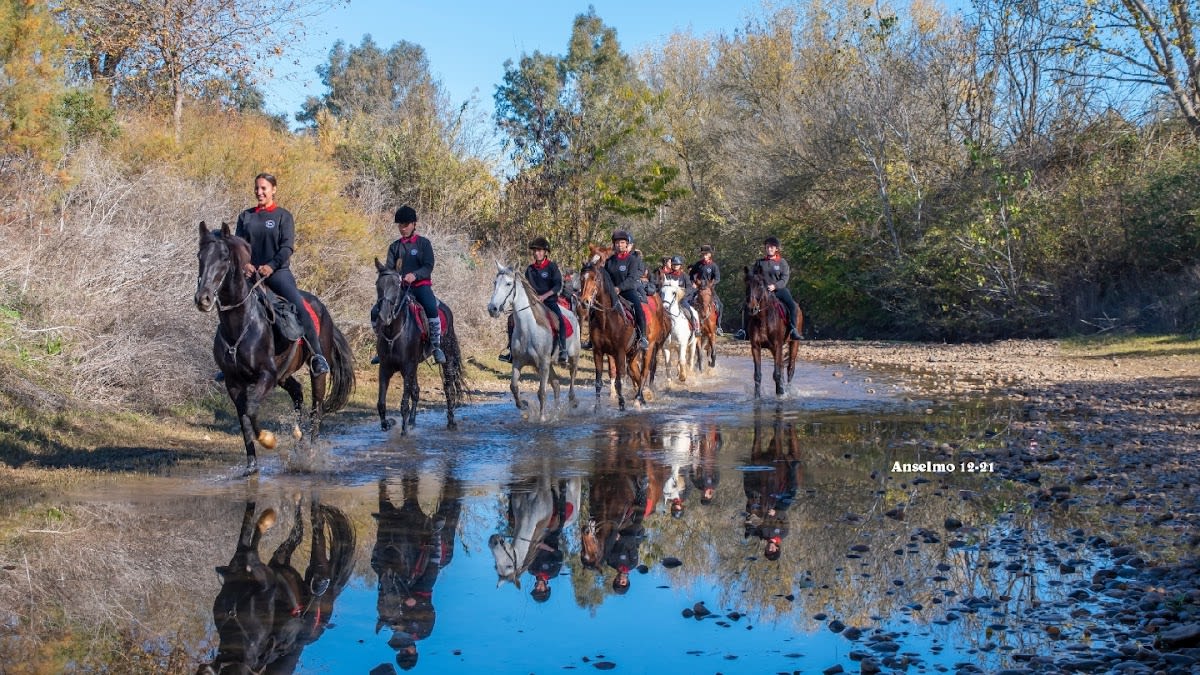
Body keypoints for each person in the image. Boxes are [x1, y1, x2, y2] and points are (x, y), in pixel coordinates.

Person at [228, 172, 329, 378]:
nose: (259, 192)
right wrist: (245, 264)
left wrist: (271, 266)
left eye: (263, 188)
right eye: (257, 188)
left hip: (277, 273)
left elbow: (287, 247)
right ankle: (230, 358)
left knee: (301, 308)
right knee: (232, 307)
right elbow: (238, 246)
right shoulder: (245, 216)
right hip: (251, 275)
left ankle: (318, 356)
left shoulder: (283, 216)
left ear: (273, 189)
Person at [373, 206, 445, 364]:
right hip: (400, 288)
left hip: (421, 286)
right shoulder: (394, 247)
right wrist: (394, 278)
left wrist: (415, 275)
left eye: (405, 225)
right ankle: (381, 346)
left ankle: (435, 346)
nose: (402, 228)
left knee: (431, 307)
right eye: (400, 225)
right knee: (375, 311)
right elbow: (390, 269)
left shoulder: (423, 244)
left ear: (414, 224)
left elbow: (428, 265)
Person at [499, 237, 569, 365]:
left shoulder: (552, 267)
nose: (537, 253)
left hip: (549, 302)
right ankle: (511, 351)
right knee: (511, 319)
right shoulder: (530, 269)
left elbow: (557, 286)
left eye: (540, 251)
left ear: (545, 252)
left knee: (560, 320)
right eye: (535, 251)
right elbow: (525, 286)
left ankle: (563, 350)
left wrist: (544, 296)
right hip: (532, 302)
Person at [735, 235, 803, 341]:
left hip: (779, 290)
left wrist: (775, 286)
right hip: (762, 291)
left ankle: (793, 330)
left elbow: (785, 278)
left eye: (772, 247)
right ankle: (744, 331)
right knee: (747, 305)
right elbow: (754, 276)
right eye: (767, 247)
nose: (769, 249)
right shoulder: (760, 262)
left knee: (792, 305)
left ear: (776, 249)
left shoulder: (782, 262)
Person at [603, 230, 649, 351]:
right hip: (611, 292)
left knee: (638, 308)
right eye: (617, 243)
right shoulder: (609, 261)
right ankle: (593, 339)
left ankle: (642, 336)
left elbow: (632, 278)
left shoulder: (632, 260)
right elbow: (606, 277)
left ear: (626, 244)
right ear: (614, 245)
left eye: (622, 242)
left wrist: (619, 288)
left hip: (627, 291)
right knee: (596, 307)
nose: (619, 245)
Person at [688, 244, 724, 335]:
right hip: (699, 289)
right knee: (690, 302)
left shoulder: (713, 266)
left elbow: (718, 278)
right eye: (702, 254)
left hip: (710, 290)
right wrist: (693, 282)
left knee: (719, 305)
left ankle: (718, 326)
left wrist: (711, 284)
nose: (703, 256)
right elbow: (691, 274)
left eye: (705, 254)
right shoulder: (698, 264)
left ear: (709, 255)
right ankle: (692, 325)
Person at [664, 255, 698, 336]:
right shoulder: (667, 276)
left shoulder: (684, 276)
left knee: (689, 311)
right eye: (674, 264)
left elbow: (689, 288)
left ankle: (695, 328)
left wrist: (683, 294)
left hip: (681, 299)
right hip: (669, 299)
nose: (675, 266)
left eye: (677, 264)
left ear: (680, 265)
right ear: (671, 265)